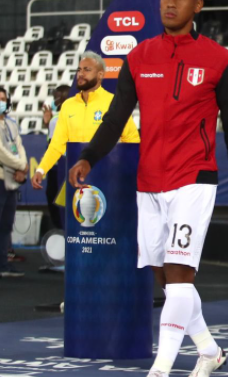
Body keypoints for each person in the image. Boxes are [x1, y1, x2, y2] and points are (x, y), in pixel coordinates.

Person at [69, 0, 228, 377]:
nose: (170, 2)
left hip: (195, 179)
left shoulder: (220, 61)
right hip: (148, 183)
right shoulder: (139, 57)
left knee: (180, 276)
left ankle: (162, 368)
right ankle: (208, 349)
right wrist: (89, 156)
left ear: (198, 4)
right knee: (166, 279)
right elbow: (116, 118)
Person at [32, 54, 140, 203]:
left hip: (109, 178)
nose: (81, 74)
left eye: (87, 70)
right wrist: (41, 170)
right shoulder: (68, 106)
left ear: (100, 74)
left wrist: (125, 173)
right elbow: (56, 145)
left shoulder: (113, 102)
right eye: (79, 69)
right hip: (76, 178)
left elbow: (132, 140)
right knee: (77, 223)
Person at [0, 87, 27, 278]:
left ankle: (3, 264)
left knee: (6, 225)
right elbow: (1, 152)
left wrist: (23, 166)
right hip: (2, 177)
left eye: (3, 99)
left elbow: (19, 145)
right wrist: (20, 165)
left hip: (12, 180)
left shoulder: (10, 124)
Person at [38, 84, 71, 229]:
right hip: (68, 164)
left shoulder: (56, 119)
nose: (53, 100)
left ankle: (60, 232)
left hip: (58, 166)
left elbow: (54, 145)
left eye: (55, 97)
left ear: (61, 98)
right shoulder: (69, 116)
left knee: (56, 201)